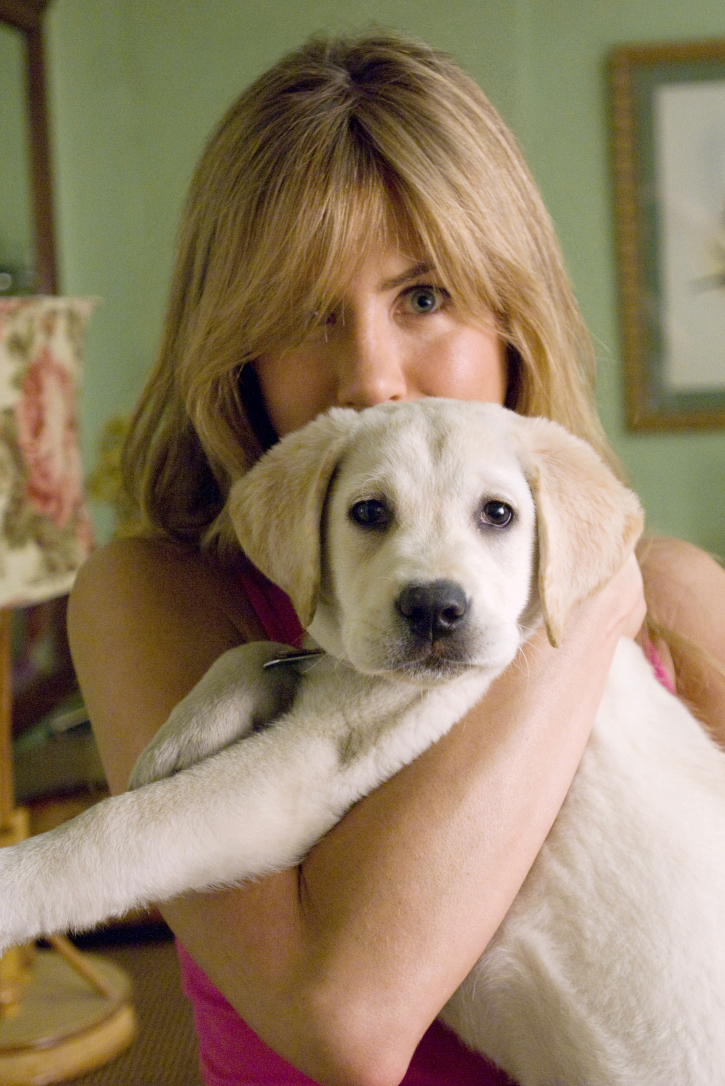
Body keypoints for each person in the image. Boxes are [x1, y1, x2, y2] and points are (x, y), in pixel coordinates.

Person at [67, 31, 725, 1086]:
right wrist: (587, 605)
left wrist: (605, 567)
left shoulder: (680, 599)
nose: (371, 376)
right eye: (303, 315)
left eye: (422, 298)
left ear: (515, 317)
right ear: (233, 347)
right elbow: (344, 1026)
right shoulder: (161, 602)